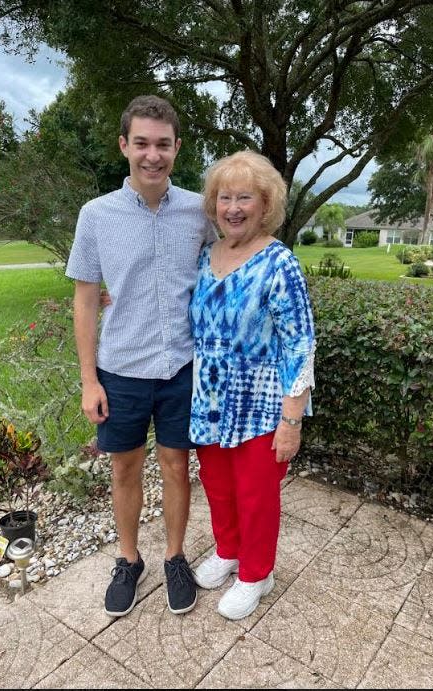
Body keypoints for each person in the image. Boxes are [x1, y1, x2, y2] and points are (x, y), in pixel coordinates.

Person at [65, 95, 217, 618]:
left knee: (177, 466)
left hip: (182, 365)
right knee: (125, 469)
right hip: (122, 368)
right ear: (124, 145)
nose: (153, 155)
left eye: (164, 144)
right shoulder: (96, 215)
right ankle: (129, 560)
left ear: (177, 148)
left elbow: (227, 262)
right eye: (143, 143)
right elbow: (85, 299)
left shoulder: (201, 209)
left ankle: (175, 556)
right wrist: (89, 380)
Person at [189, 150, 316, 620]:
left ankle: (257, 573)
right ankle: (228, 551)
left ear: (265, 206)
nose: (234, 208)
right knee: (218, 488)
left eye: (245, 198)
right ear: (214, 205)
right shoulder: (206, 255)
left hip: (262, 405)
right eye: (225, 198)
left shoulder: (280, 263)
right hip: (207, 400)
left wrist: (291, 420)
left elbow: (300, 345)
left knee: (256, 496)